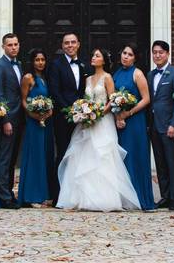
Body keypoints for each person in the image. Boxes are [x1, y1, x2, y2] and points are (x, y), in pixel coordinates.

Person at [57, 48, 140, 211]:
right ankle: (83, 198)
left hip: (103, 121)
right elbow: (85, 99)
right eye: (93, 55)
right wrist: (84, 112)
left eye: (97, 56)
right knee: (84, 156)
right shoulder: (87, 79)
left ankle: (105, 199)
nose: (93, 58)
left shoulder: (107, 78)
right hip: (87, 123)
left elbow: (112, 99)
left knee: (102, 156)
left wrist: (98, 113)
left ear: (103, 60)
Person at [112, 43, 155, 210]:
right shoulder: (116, 74)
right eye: (124, 53)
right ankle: (124, 198)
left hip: (135, 122)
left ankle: (139, 198)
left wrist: (127, 113)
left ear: (135, 58)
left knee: (135, 156)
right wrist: (118, 115)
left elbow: (146, 99)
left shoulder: (137, 74)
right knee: (122, 159)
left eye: (130, 54)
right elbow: (112, 98)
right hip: (119, 122)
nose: (126, 56)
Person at [47, 32, 86, 201]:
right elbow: (55, 91)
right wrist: (69, 111)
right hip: (63, 118)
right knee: (63, 153)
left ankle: (76, 192)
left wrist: (84, 111)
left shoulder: (84, 66)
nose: (70, 45)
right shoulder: (56, 65)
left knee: (80, 154)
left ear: (78, 44)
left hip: (82, 118)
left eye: (73, 42)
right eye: (66, 43)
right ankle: (58, 195)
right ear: (62, 46)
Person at [148, 40, 174, 210]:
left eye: (161, 52)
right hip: (154, 126)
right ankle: (164, 196)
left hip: (169, 126)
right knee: (160, 163)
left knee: (172, 162)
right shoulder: (150, 75)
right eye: (155, 52)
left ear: (167, 54)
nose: (157, 55)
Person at [17, 49, 54, 207]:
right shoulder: (28, 78)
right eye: (37, 60)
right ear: (32, 61)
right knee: (35, 156)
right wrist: (33, 114)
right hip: (34, 122)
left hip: (46, 122)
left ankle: (44, 194)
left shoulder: (45, 77)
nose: (40, 62)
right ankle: (32, 195)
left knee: (45, 156)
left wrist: (49, 110)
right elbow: (24, 100)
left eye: (43, 59)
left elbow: (49, 99)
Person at [0, 32, 24, 209]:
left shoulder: (19, 64)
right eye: (10, 45)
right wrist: (5, 120)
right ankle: (2, 196)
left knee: (12, 158)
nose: (13, 47)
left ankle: (9, 192)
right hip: (8, 119)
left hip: (20, 117)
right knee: (4, 157)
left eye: (16, 44)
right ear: (3, 46)